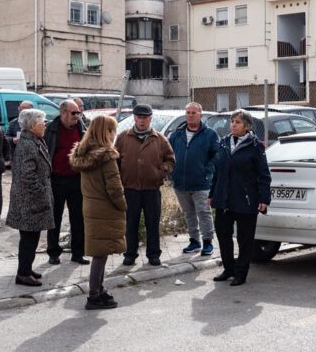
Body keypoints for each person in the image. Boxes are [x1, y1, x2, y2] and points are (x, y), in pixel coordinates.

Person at [68, 115, 126, 310]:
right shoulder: (107, 156)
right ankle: (94, 294)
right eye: (112, 131)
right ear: (106, 132)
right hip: (105, 208)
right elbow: (114, 188)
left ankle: (99, 289)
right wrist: (123, 205)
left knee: (99, 251)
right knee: (101, 254)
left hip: (91, 206)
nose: (114, 135)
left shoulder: (84, 153)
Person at [208, 109, 271, 286]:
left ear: (247, 126)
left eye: (238, 122)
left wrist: (264, 199)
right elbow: (217, 172)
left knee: (245, 239)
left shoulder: (255, 146)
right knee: (223, 235)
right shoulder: (223, 143)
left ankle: (241, 273)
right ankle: (229, 269)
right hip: (223, 200)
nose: (233, 125)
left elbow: (264, 175)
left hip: (246, 201)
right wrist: (212, 194)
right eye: (232, 121)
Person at [116, 104, 175, 266]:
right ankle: (130, 254)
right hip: (130, 189)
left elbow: (170, 159)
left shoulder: (160, 139)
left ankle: (154, 255)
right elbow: (115, 161)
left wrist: (162, 171)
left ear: (150, 118)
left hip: (152, 189)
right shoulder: (123, 138)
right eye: (139, 117)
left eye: (145, 118)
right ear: (134, 118)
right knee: (131, 223)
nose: (142, 121)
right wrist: (120, 178)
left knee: (153, 223)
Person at [6, 108, 54, 286]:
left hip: (32, 199)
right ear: (33, 125)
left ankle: (26, 268)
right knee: (28, 238)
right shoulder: (27, 144)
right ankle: (23, 274)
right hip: (29, 200)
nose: (45, 125)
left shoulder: (33, 140)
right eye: (42, 122)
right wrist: (41, 192)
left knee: (32, 237)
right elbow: (28, 175)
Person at [169, 102, 221, 256]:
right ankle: (194, 241)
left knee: (204, 213)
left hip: (202, 183)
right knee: (188, 213)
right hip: (180, 183)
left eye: (193, 113)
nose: (190, 115)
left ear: (200, 115)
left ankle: (207, 242)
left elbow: (216, 156)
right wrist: (172, 173)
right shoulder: (176, 134)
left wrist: (207, 171)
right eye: (188, 112)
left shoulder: (210, 134)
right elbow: (168, 154)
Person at [43, 99, 88, 265]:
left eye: (79, 112)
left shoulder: (81, 128)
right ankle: (53, 252)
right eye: (74, 113)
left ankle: (78, 252)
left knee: (78, 218)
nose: (77, 116)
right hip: (56, 180)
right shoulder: (51, 129)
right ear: (63, 113)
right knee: (54, 217)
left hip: (76, 179)